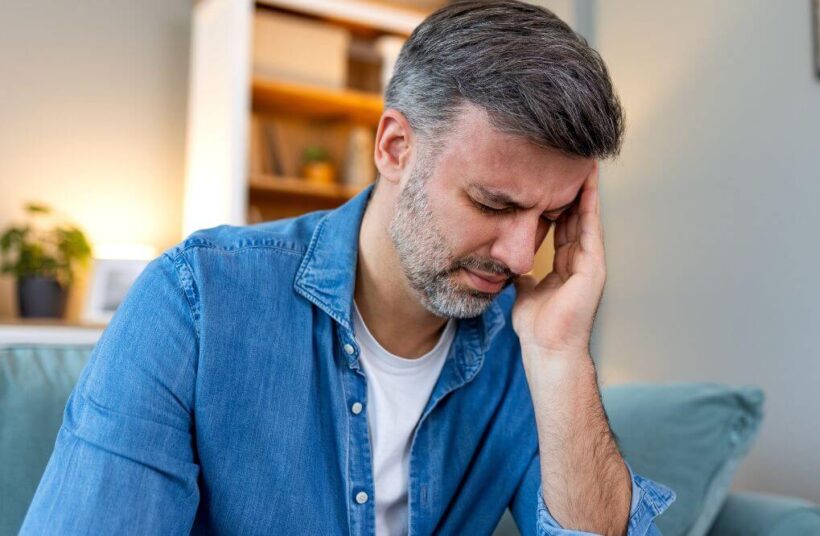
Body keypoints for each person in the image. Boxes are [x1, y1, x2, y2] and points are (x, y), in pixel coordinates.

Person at [21, 1, 674, 534]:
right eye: (491, 203)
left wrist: (561, 354)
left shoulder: (524, 345)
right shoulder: (197, 301)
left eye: (549, 218)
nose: (516, 254)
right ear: (394, 147)